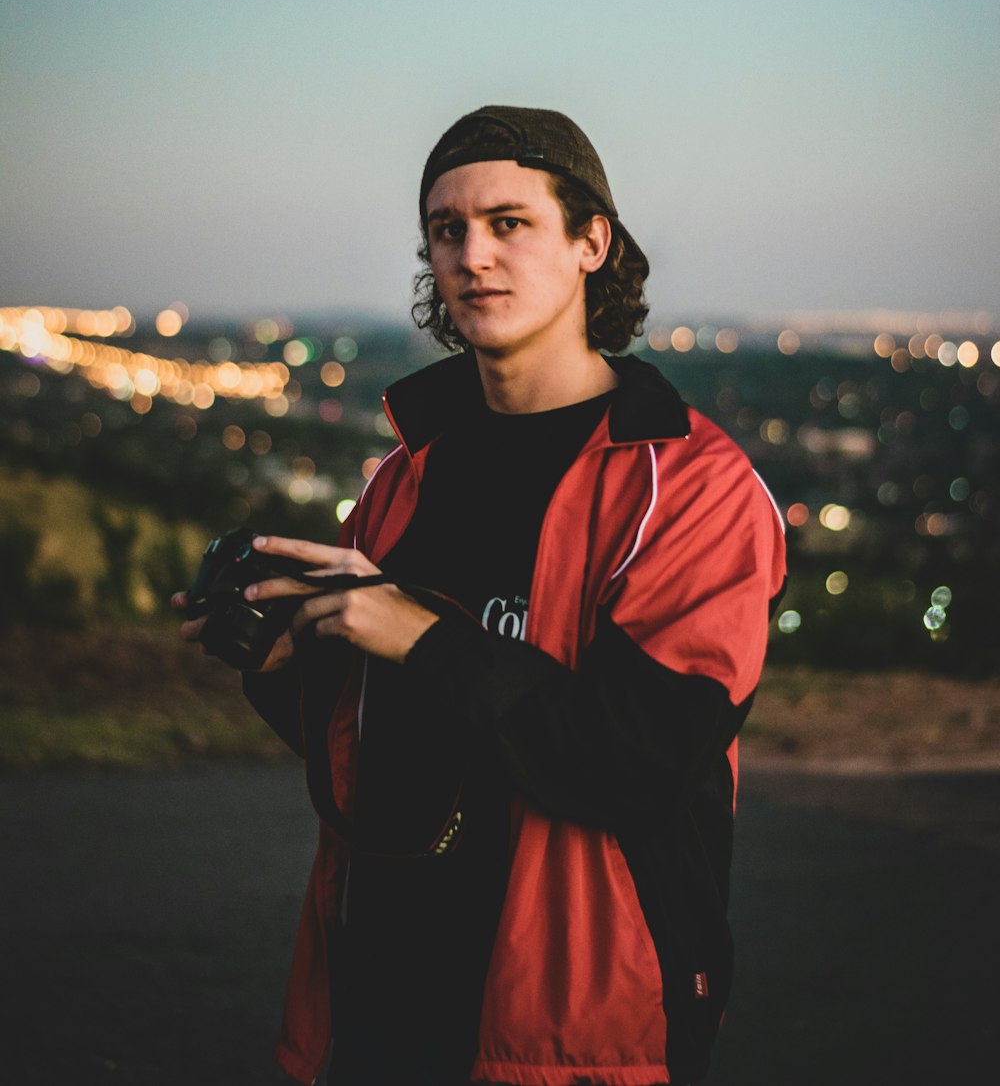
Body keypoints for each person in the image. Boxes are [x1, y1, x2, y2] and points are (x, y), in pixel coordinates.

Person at [178, 105, 786, 1086]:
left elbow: (643, 756)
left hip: (570, 1015)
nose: (472, 254)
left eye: (510, 223)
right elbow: (371, 739)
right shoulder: (401, 480)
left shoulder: (691, 487)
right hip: (375, 992)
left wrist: (421, 637)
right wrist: (281, 655)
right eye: (446, 229)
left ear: (592, 242)